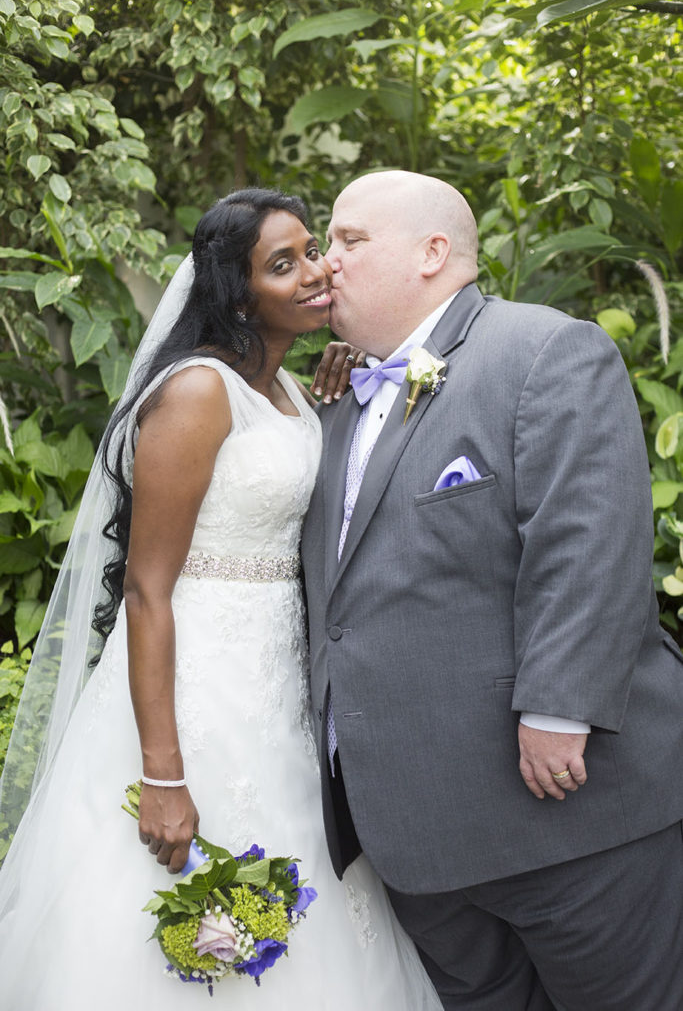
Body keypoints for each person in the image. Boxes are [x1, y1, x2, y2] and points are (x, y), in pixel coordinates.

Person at [0, 188, 441, 1009]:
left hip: (282, 690)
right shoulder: (197, 392)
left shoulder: (291, 393)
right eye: (285, 264)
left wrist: (329, 400)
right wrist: (163, 773)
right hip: (197, 686)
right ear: (237, 294)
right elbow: (145, 588)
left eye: (313, 250)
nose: (316, 272)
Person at [301, 169, 683, 1011]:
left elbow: (588, 536)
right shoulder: (336, 396)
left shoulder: (543, 347)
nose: (325, 262)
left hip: (567, 822)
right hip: (414, 842)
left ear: (434, 252)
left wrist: (559, 709)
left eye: (348, 240)